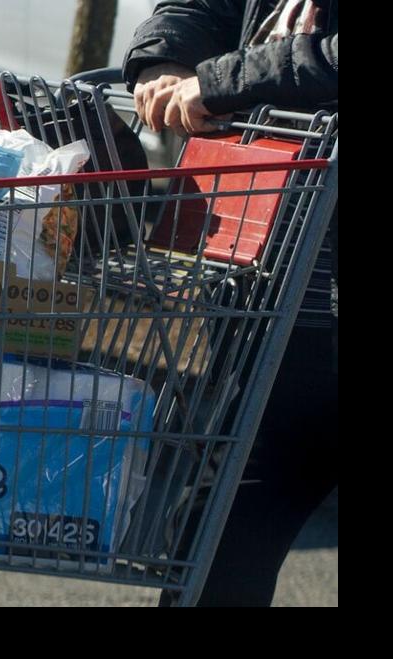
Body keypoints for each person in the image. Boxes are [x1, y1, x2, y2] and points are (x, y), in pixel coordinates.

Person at [121, 0, 338, 606]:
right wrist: (165, 62)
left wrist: (219, 83)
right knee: (216, 540)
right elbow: (202, 8)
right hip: (290, 296)